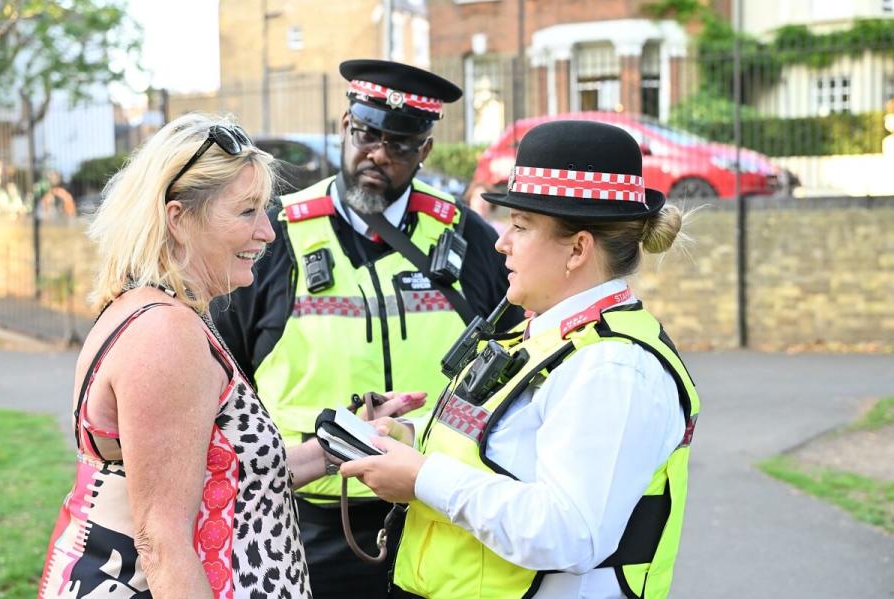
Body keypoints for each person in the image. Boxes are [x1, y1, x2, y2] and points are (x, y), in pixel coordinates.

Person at [341, 120, 702, 599]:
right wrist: (408, 439)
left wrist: (423, 477)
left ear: (577, 249)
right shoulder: (548, 334)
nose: (500, 243)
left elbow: (569, 533)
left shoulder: (613, 367)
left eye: (520, 227)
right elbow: (501, 449)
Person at [212, 59, 523, 598]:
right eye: (366, 134)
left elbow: (518, 363)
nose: (377, 153)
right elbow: (220, 379)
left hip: (439, 512)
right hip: (303, 516)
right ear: (342, 126)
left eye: (400, 143)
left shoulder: (468, 239)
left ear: (425, 151)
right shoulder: (273, 236)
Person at [38, 112, 379, 598]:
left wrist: (347, 440)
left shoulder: (156, 312)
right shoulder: (164, 332)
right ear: (178, 219)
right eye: (247, 212)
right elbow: (162, 545)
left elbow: (224, 473)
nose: (267, 232)